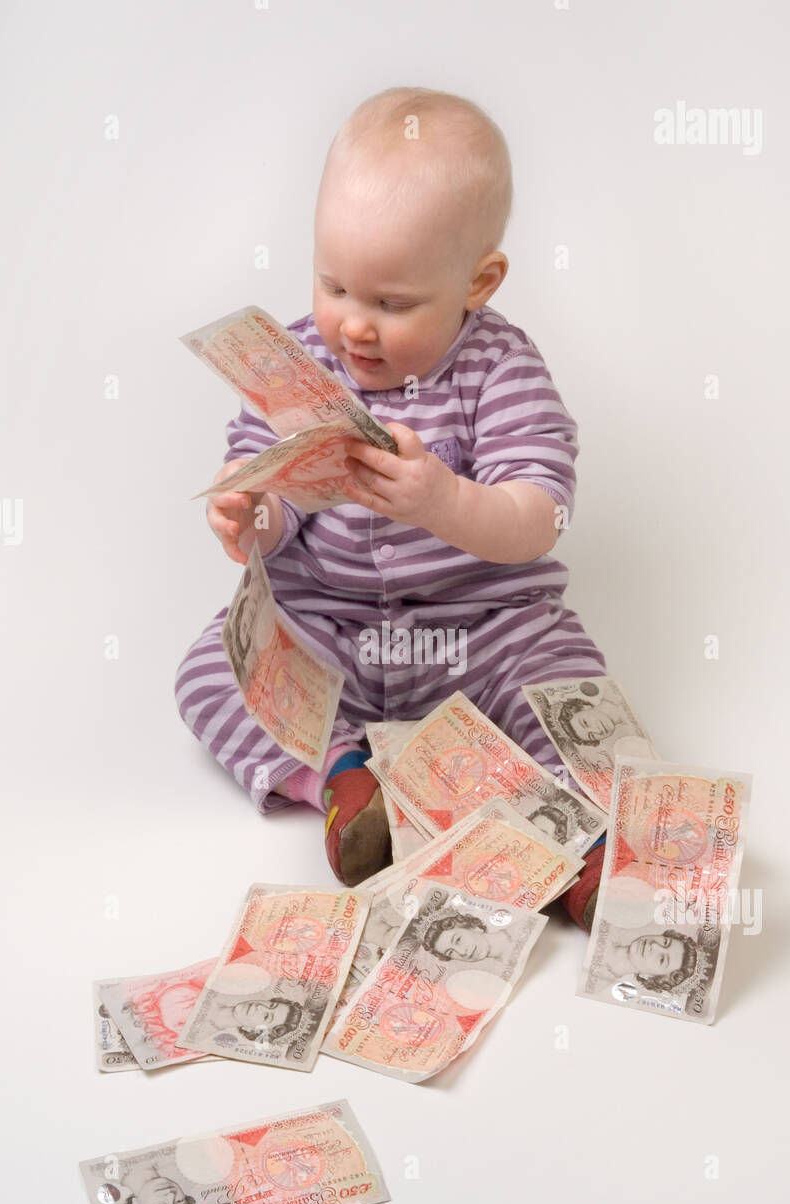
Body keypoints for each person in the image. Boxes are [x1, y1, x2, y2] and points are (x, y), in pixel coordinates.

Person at [175, 86, 607, 923]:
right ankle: (340, 780)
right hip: (330, 634)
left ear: (478, 282)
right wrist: (250, 515)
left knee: (569, 686)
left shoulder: (500, 369)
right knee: (208, 672)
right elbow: (273, 502)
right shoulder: (298, 362)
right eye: (334, 285)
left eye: (393, 303)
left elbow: (537, 518)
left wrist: (444, 501)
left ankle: (581, 842)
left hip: (481, 634)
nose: (354, 328)